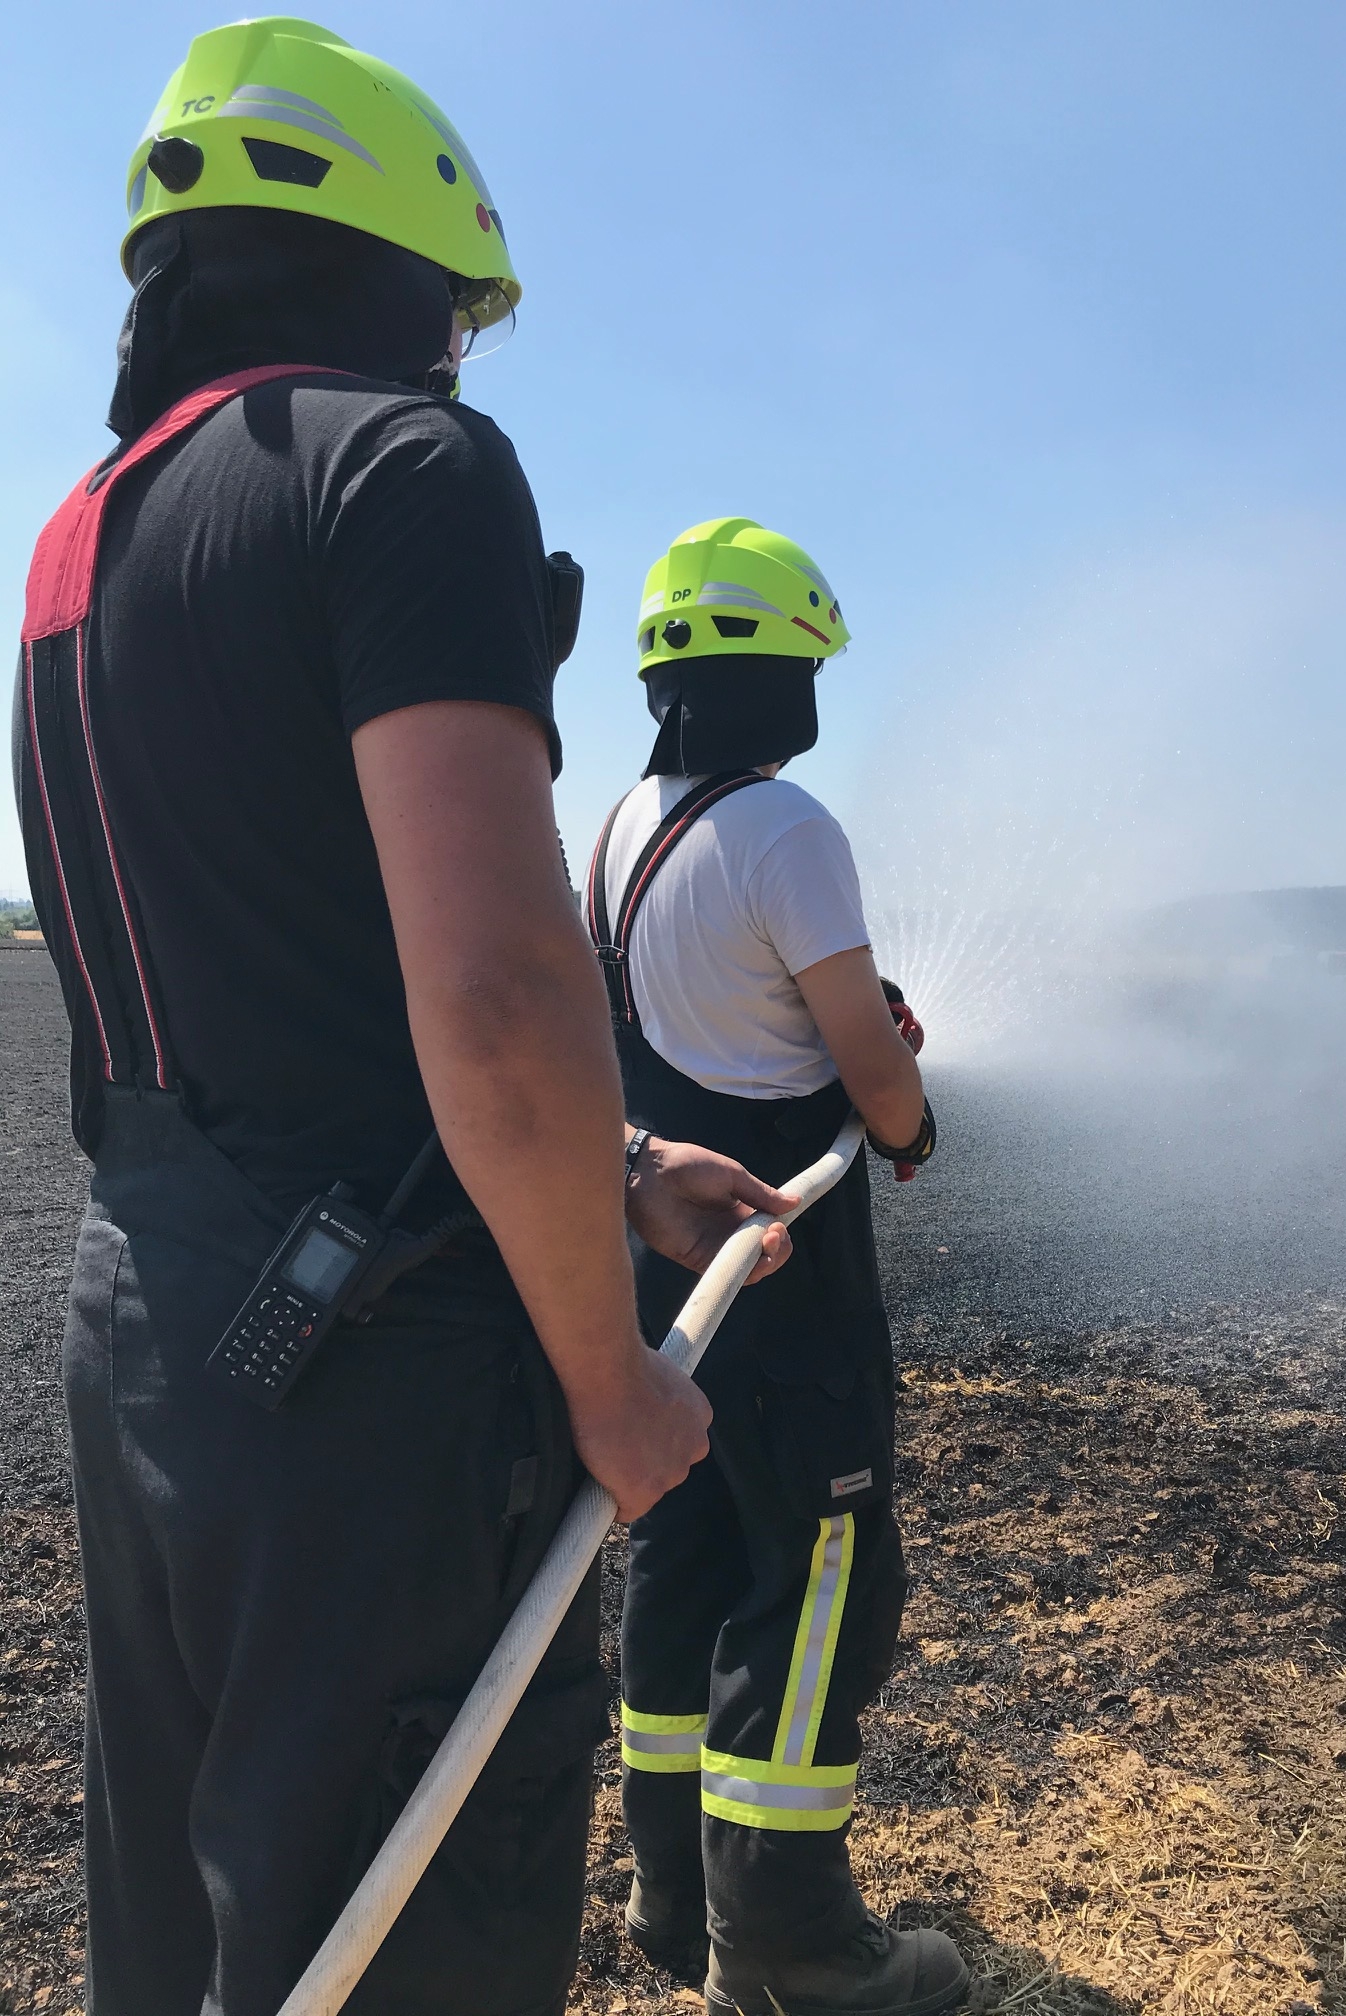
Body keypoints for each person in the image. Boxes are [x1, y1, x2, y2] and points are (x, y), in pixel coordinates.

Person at [12, 23, 799, 2015]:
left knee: (201, 1925)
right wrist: (610, 1374)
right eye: (462, 311)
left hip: (156, 1332)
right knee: (404, 1928)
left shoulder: (83, 546)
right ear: (402, 262)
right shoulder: (408, 465)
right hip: (372, 1390)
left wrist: (615, 1171)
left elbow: (278, 977)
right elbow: (496, 985)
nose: (462, 349)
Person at [584, 519, 968, 2016]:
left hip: (668, 1275)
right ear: (785, 663)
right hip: (785, 1269)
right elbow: (873, 1076)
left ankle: (671, 1898)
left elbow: (707, 1015)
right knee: (819, 1576)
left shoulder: (622, 826)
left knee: (688, 1554)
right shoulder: (789, 827)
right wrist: (914, 1125)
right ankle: (794, 1945)